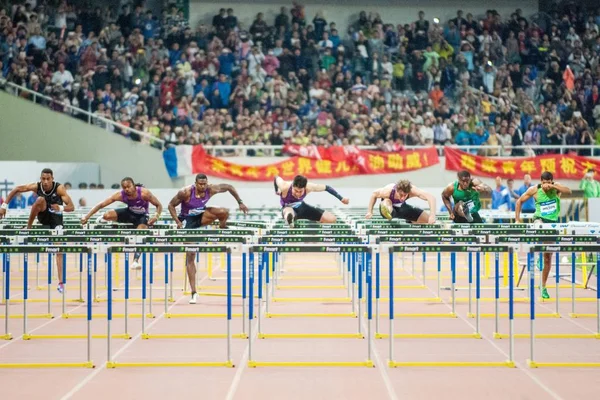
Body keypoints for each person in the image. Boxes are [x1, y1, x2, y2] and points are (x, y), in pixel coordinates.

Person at [168, 174, 249, 304]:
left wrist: (240, 202)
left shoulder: (211, 189)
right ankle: (194, 292)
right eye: (200, 184)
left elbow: (229, 187)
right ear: (195, 183)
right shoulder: (185, 192)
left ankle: (222, 228)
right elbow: (171, 205)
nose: (202, 186)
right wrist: (177, 221)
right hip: (187, 220)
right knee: (191, 254)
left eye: (204, 184)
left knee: (223, 211)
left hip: (202, 215)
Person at [0, 168, 75, 292]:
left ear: (52, 179)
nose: (45, 182)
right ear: (40, 179)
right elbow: (17, 189)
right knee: (40, 200)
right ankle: (28, 226)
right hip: (44, 215)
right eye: (43, 179)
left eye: (48, 179)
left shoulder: (59, 188)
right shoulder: (37, 186)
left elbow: (71, 207)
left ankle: (61, 282)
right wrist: (4, 206)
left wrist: (60, 208)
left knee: (59, 248)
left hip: (56, 217)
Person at [80, 177, 163, 270]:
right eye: (124, 187)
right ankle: (104, 218)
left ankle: (135, 261)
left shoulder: (144, 193)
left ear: (134, 185)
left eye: (128, 186)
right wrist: (87, 216)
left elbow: (159, 205)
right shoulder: (120, 195)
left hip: (142, 216)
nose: (127, 189)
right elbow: (101, 205)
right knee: (107, 215)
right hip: (129, 213)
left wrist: (156, 216)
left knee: (141, 234)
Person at [515, 171, 572, 299]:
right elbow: (519, 202)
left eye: (548, 182)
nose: (546, 185)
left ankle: (543, 285)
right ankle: (539, 251)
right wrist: (517, 219)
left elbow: (569, 191)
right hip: (539, 219)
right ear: (541, 181)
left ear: (552, 181)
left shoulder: (556, 188)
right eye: (544, 182)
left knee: (548, 257)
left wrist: (554, 186)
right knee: (538, 225)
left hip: (552, 223)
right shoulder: (534, 190)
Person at [274, 174, 349, 228]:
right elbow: (276, 177)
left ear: (305, 188)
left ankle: (315, 221)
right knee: (288, 212)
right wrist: (276, 189)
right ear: (292, 186)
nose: (298, 194)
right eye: (296, 191)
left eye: (300, 191)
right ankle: (290, 221)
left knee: (332, 219)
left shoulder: (309, 187)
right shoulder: (284, 186)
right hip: (288, 208)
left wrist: (341, 198)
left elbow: (327, 188)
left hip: (302, 207)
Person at [364, 179, 436, 223]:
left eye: (405, 195)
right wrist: (370, 212)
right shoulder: (388, 190)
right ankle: (388, 213)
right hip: (389, 208)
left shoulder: (412, 190)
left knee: (427, 220)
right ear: (397, 190)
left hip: (402, 208)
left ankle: (411, 220)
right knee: (387, 201)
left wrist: (432, 216)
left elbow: (431, 198)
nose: (402, 197)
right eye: (401, 195)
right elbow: (374, 194)